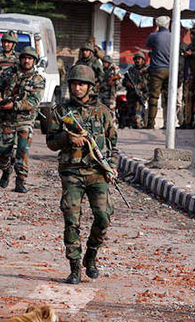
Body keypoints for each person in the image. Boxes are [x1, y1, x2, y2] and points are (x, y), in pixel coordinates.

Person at [46, 65, 117, 285]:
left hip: (97, 172)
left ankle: (91, 255)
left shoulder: (103, 112)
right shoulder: (61, 112)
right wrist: (68, 139)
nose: (77, 88)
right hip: (72, 172)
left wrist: (112, 167)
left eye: (82, 84)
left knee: (103, 216)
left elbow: (113, 144)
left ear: (90, 87)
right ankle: (75, 267)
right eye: (74, 84)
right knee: (71, 219)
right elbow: (51, 142)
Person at [0, 46, 45, 193]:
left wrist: (14, 105)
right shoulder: (8, 73)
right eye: (24, 58)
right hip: (6, 119)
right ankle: (6, 168)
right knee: (2, 151)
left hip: (25, 120)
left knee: (23, 150)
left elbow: (34, 101)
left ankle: (20, 180)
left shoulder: (38, 79)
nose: (27, 61)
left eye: (30, 58)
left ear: (34, 61)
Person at [145, 16, 171, 129]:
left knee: (154, 97)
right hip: (170, 70)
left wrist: (155, 31)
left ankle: (151, 123)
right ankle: (168, 123)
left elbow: (148, 45)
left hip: (157, 70)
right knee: (169, 98)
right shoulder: (173, 36)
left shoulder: (154, 36)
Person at [122, 52, 149, 128]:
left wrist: (140, 86)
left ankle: (140, 125)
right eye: (136, 59)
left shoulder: (146, 70)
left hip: (141, 94)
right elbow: (124, 82)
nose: (137, 60)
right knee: (131, 113)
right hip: (131, 95)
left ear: (143, 60)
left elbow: (149, 82)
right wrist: (127, 83)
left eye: (139, 59)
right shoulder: (131, 70)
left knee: (139, 112)